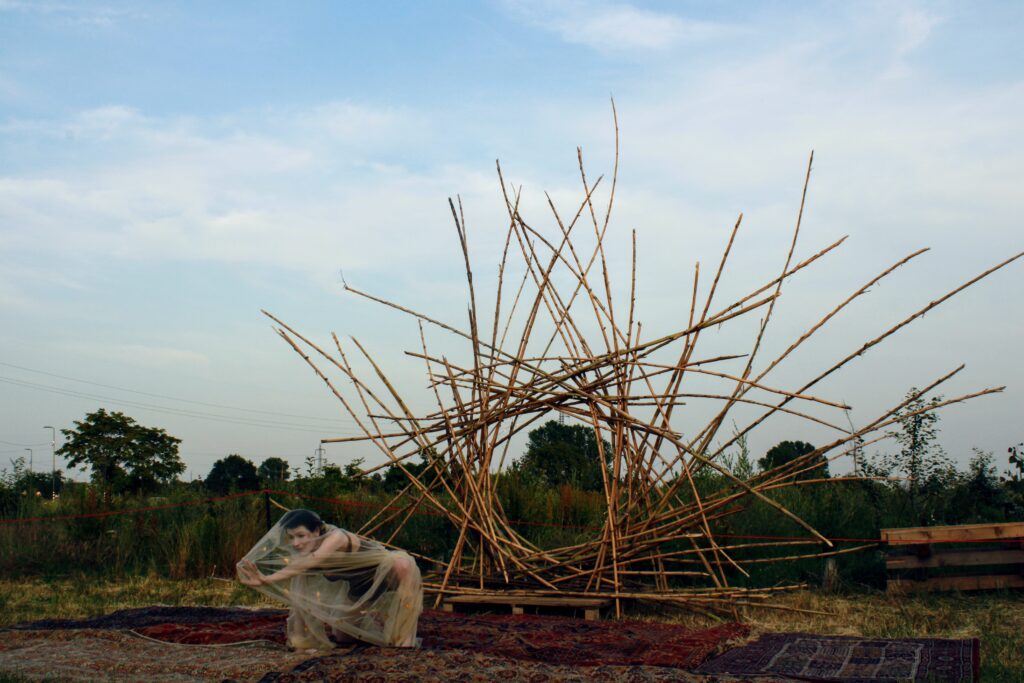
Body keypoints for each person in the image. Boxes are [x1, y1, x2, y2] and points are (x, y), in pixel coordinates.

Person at [237, 508, 422, 649]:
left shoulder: (336, 538)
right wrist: (300, 640)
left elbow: (313, 559)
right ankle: (378, 623)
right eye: (291, 538)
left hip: (386, 576)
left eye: (301, 535)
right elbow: (299, 600)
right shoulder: (304, 558)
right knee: (343, 637)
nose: (296, 543)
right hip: (360, 589)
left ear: (317, 531)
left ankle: (406, 639)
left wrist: (268, 579)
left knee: (403, 564)